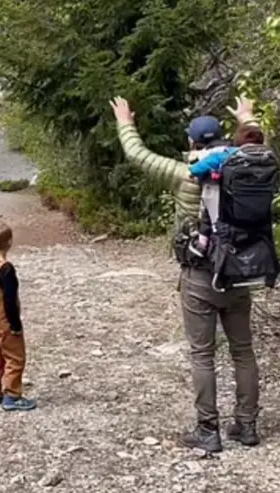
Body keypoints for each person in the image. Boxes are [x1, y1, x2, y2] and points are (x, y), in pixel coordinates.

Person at [109, 95, 263, 451]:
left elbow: (138, 156)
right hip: (239, 272)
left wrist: (125, 121)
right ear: (222, 138)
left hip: (199, 275)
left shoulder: (183, 175)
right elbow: (257, 142)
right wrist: (247, 116)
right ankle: (247, 426)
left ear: (192, 143)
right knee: (243, 351)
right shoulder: (243, 165)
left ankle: (208, 431)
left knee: (202, 354)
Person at [0, 221, 35, 411]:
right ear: (9, 242)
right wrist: (15, 324)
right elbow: (10, 300)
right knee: (14, 357)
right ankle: (12, 395)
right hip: (4, 319)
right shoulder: (6, 269)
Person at [187, 125, 267, 257]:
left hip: (232, 212)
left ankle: (202, 244)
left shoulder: (228, 154)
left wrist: (192, 172)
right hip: (260, 212)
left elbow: (195, 169)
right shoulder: (268, 158)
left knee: (209, 204)